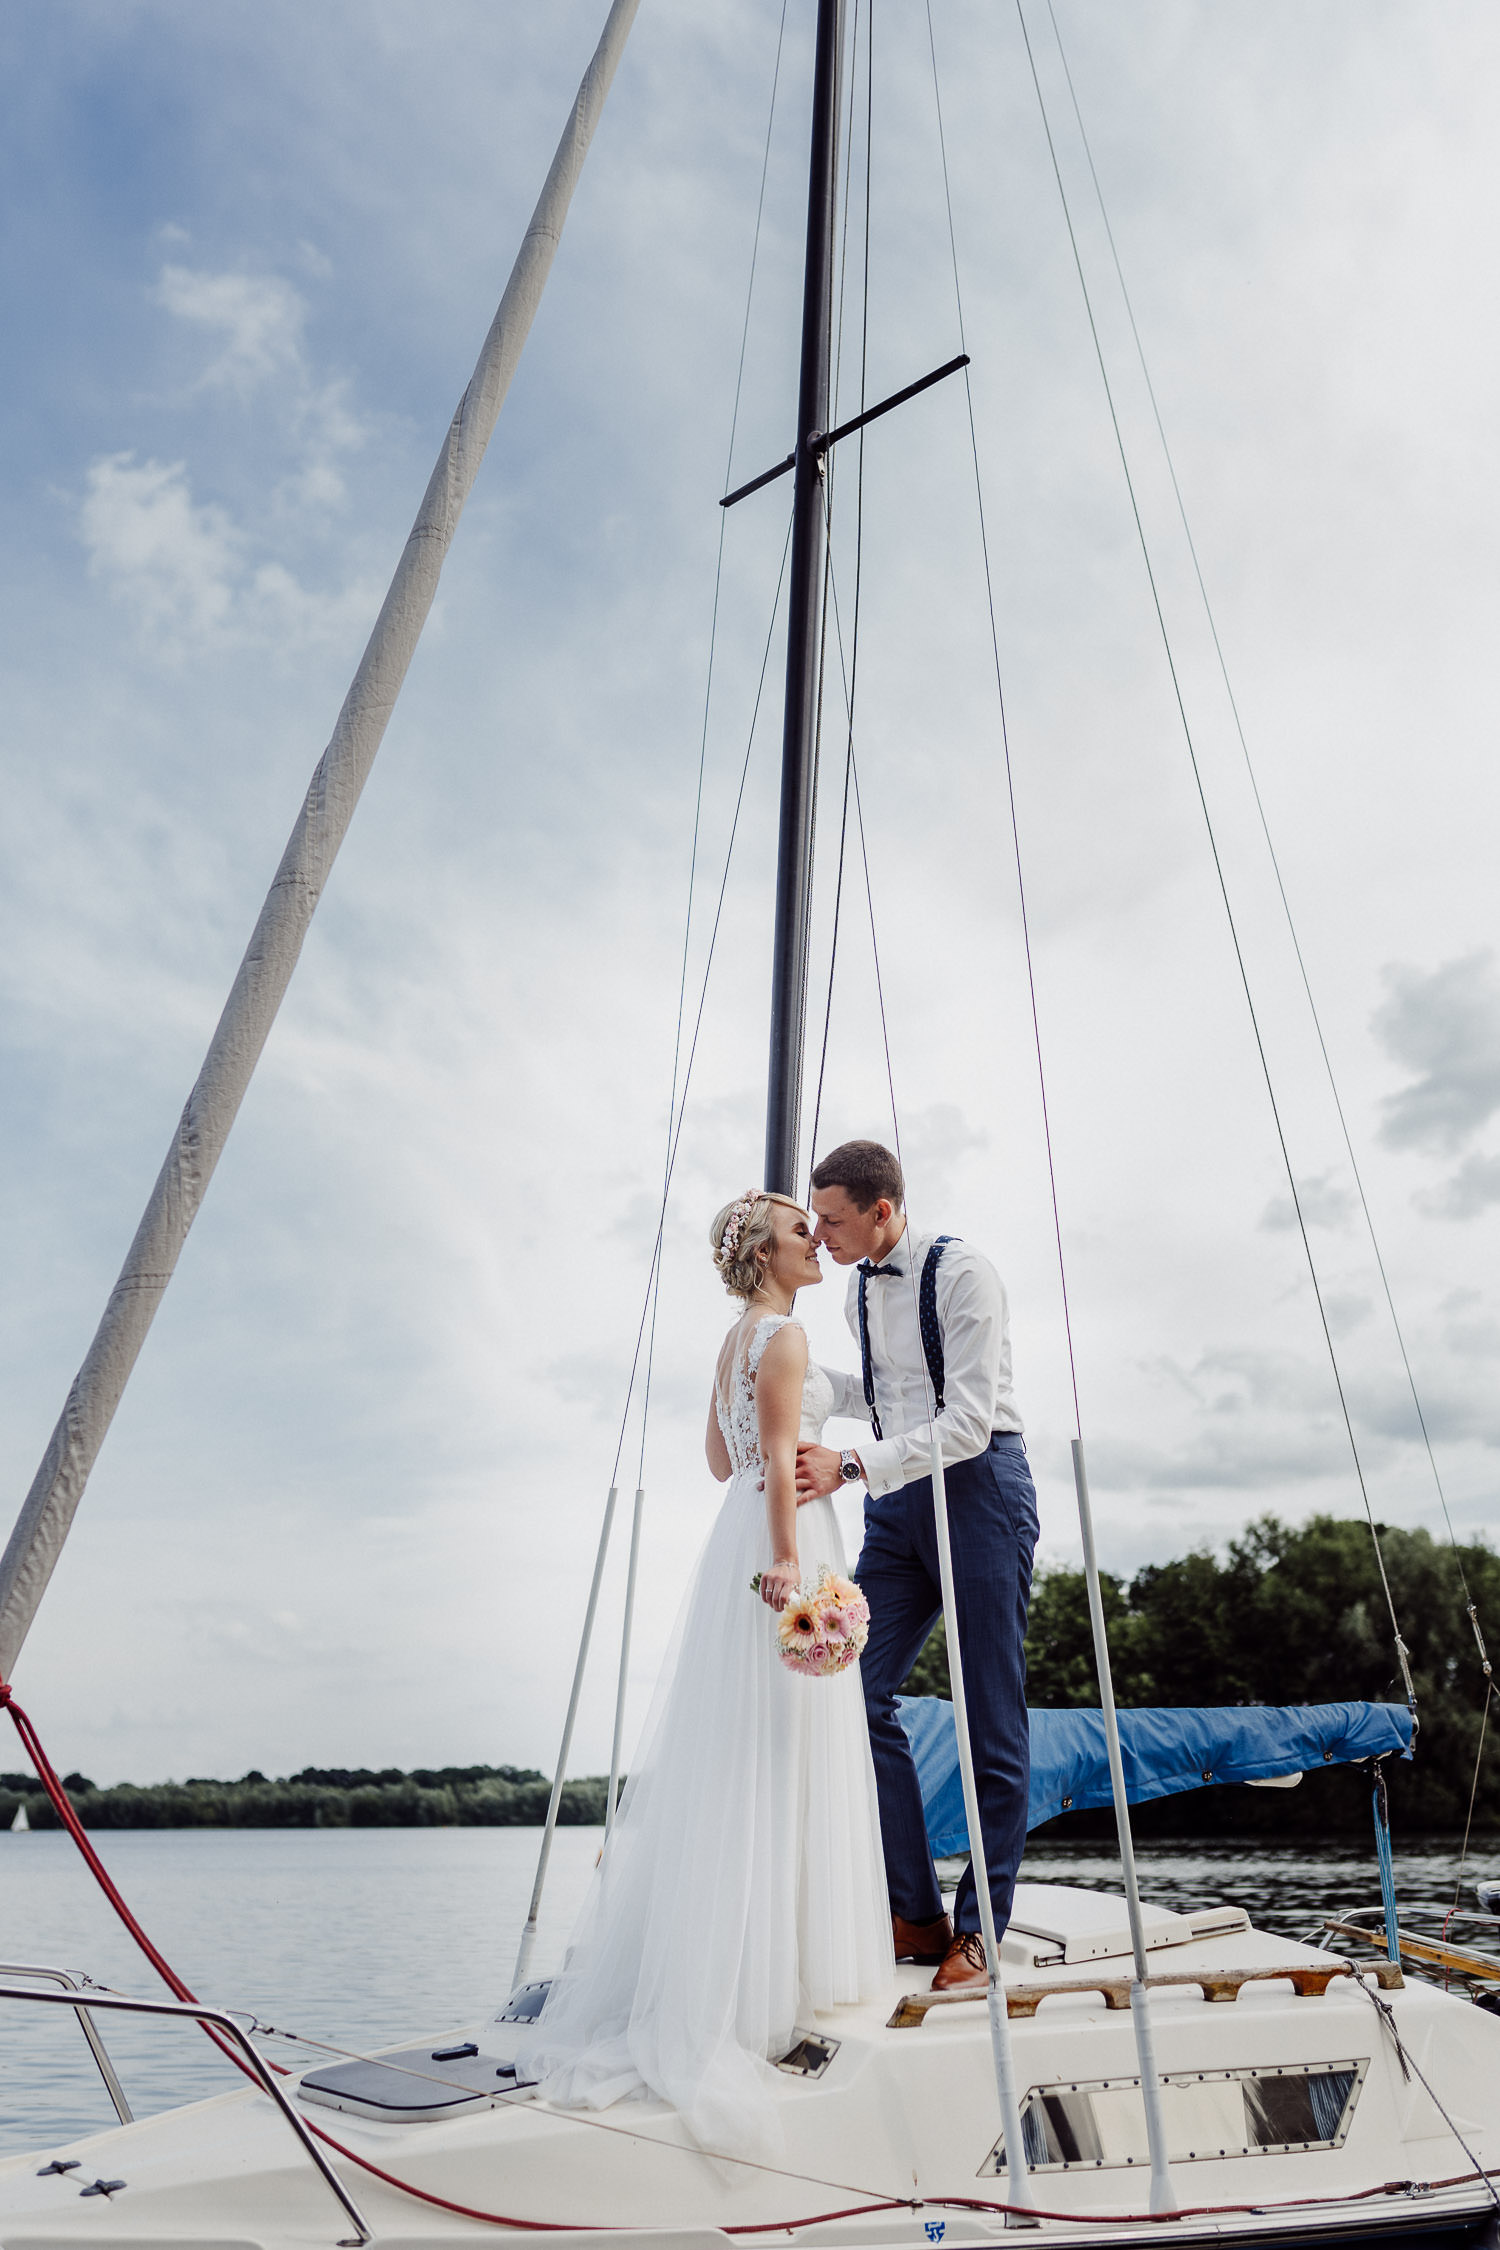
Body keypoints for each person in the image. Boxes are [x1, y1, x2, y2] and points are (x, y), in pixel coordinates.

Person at [511, 1190, 891, 2162]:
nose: (815, 1241)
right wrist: (787, 1563)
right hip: (780, 1543)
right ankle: (779, 1977)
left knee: (742, 1749)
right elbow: (766, 1457)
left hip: (739, 1542)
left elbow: (717, 1456)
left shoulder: (737, 1342)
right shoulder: (787, 1340)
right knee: (785, 1744)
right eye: (800, 1232)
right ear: (765, 1252)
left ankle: (749, 1954)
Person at [795, 1138, 1038, 1994]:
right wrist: (779, 1372)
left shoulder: (964, 1274)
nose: (820, 1237)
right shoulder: (860, 1289)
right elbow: (882, 1392)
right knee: (850, 1686)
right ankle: (915, 1909)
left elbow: (968, 1420)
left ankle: (979, 1932)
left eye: (832, 1220)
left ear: (881, 1210)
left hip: (977, 1489)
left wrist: (849, 1465)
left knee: (990, 1719)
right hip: (898, 1506)